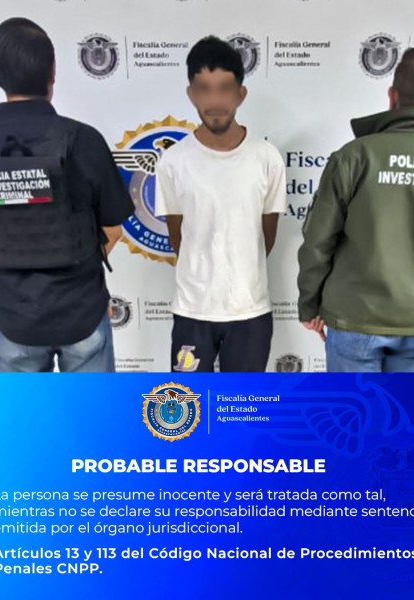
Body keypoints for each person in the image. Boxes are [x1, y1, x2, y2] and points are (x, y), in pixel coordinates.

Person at [0, 17, 134, 372]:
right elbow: (113, 230)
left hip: (13, 319)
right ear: (53, 72)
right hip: (82, 312)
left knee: (29, 412)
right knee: (92, 411)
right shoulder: (84, 140)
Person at [297, 43, 414, 372]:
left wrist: (309, 305)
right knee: (402, 407)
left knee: (352, 406)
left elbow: (318, 241)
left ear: (392, 96)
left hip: (356, 317)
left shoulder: (355, 156)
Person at [154, 35, 287, 373]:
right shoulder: (172, 161)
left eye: (225, 88)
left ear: (241, 94)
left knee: (241, 405)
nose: (214, 101)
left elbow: (266, 236)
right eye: (204, 89)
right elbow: (178, 236)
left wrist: (239, 273)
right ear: (191, 94)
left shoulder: (266, 158)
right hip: (192, 312)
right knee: (188, 403)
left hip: (250, 312)